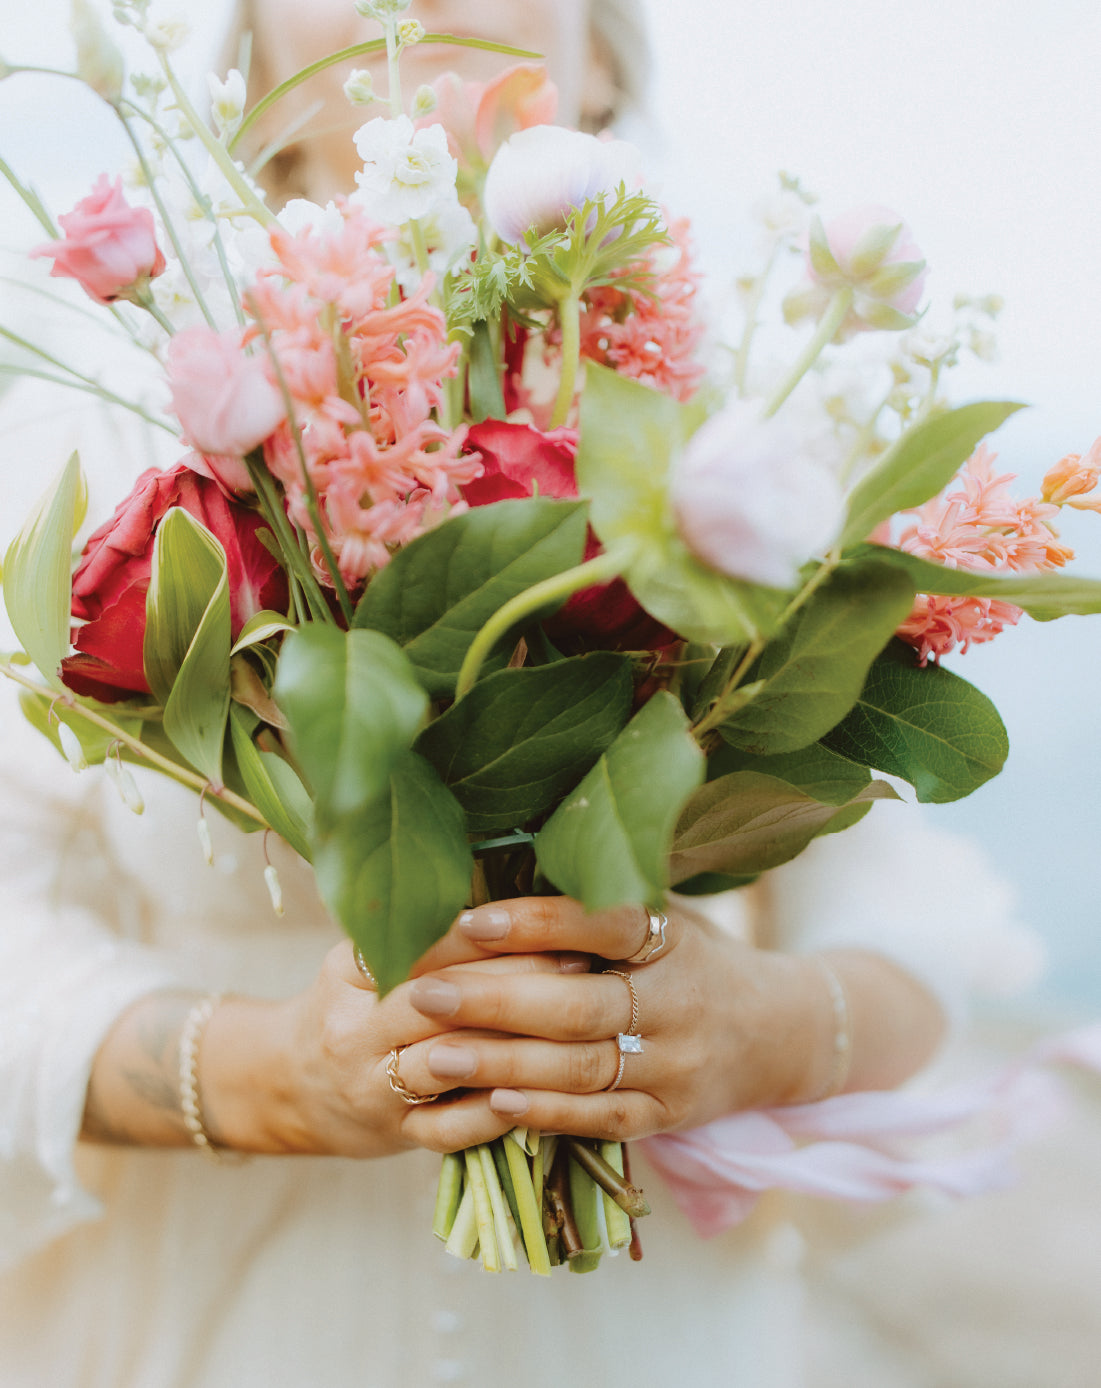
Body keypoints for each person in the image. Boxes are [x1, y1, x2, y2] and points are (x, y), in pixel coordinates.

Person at [0, 2, 1027, 1384]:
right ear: (249, 60)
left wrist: (754, 1032)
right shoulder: (91, 429)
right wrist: (272, 1077)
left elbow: (910, 923)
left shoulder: (752, 436)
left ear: (604, 58)